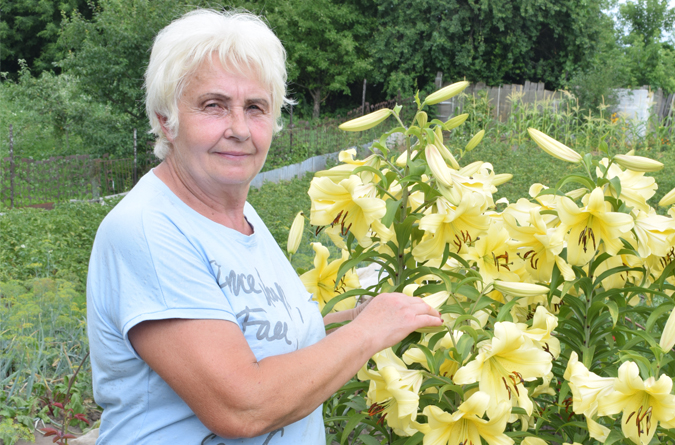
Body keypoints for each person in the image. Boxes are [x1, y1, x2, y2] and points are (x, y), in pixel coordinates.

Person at [85, 9, 442, 444]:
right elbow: (241, 407)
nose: (238, 129)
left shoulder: (240, 215)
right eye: (213, 106)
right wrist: (368, 335)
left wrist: (353, 319)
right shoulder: (147, 229)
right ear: (165, 119)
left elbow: (264, 336)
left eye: (255, 107)